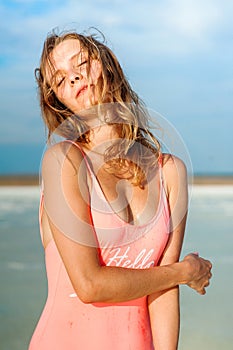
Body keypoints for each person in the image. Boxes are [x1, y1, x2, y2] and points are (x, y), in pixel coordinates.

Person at [29, 30, 212, 350]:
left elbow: (163, 293)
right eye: (59, 80)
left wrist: (176, 276)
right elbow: (89, 284)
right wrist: (183, 271)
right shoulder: (63, 163)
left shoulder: (171, 173)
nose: (72, 79)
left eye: (81, 63)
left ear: (107, 65)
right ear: (58, 101)